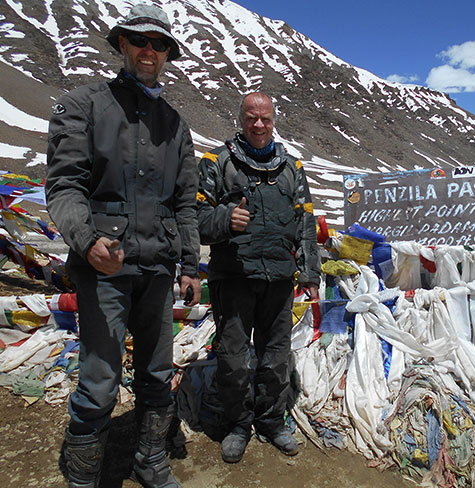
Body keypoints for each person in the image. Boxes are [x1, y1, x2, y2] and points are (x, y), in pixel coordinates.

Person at [45, 4, 201, 487]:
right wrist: (87, 239)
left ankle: (149, 460)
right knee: (99, 378)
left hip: (157, 271)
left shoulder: (177, 126)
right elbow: (64, 186)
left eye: (159, 44)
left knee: (156, 374)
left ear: (168, 54)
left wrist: (191, 263)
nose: (149, 51)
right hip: (103, 270)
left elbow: (185, 205)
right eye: (140, 41)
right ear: (123, 45)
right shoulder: (83, 106)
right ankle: (83, 476)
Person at [197, 92, 321, 463]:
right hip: (233, 278)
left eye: (265, 118)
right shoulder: (216, 162)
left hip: (279, 279)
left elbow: (305, 225)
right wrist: (224, 220)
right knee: (233, 357)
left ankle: (270, 421)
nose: (259, 125)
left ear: (273, 120)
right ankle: (237, 425)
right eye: (251, 118)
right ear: (241, 119)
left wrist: (310, 272)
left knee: (275, 357)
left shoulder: (292, 168)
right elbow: (194, 219)